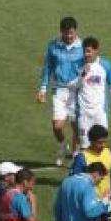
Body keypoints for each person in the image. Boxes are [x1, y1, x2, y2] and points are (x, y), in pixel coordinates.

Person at [37, 16, 84, 166]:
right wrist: (43, 88)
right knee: (57, 126)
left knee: (76, 126)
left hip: (77, 91)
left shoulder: (82, 47)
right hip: (59, 90)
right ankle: (63, 144)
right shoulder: (53, 46)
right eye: (66, 33)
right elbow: (48, 68)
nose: (69, 36)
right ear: (61, 32)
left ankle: (76, 156)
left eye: (71, 33)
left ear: (76, 31)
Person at [68, 36, 111, 149]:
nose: (86, 54)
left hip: (100, 113)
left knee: (101, 143)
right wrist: (82, 75)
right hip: (83, 113)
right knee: (84, 146)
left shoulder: (105, 66)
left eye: (89, 51)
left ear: (96, 50)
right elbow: (71, 86)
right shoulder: (77, 65)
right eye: (84, 51)